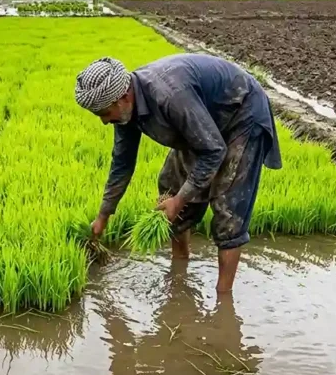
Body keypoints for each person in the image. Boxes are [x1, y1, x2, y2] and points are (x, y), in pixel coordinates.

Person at [75, 54, 282, 294]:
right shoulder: (125, 111)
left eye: (104, 113)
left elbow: (213, 151)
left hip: (241, 114)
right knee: (170, 186)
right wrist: (103, 216)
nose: (103, 121)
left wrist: (181, 200)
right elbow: (122, 163)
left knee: (228, 208)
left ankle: (223, 300)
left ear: (124, 97)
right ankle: (179, 274)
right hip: (203, 124)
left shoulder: (170, 96)